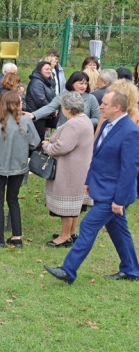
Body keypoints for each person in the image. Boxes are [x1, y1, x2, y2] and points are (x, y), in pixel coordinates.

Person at [45, 88, 139, 284]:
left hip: (113, 194)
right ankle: (131, 269)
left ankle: (68, 270)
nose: (100, 106)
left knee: (87, 224)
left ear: (117, 107)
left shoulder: (130, 132)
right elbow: (96, 157)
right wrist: (88, 180)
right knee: (118, 230)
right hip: (102, 188)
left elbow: (129, 170)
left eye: (105, 103)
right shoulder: (108, 125)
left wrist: (119, 201)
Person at [0, 91, 40, 248]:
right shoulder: (26, 121)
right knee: (13, 199)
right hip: (19, 166)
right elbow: (35, 143)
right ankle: (17, 237)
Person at [37, 91, 95, 248]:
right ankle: (71, 232)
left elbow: (61, 147)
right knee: (76, 203)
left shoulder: (73, 125)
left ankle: (64, 237)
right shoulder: (86, 120)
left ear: (68, 108)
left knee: (68, 205)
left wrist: (46, 146)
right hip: (80, 167)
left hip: (70, 169)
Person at [28, 71, 100, 130]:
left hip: (81, 133)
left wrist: (80, 123)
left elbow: (96, 119)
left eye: (86, 84)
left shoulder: (91, 98)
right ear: (72, 83)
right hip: (62, 131)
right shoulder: (63, 95)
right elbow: (50, 107)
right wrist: (34, 115)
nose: (84, 86)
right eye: (81, 83)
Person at [25, 61, 57, 141]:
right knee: (38, 142)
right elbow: (41, 101)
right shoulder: (36, 82)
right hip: (36, 116)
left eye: (50, 69)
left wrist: (56, 108)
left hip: (45, 114)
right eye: (46, 69)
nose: (49, 71)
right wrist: (52, 111)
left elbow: (53, 97)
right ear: (40, 70)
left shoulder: (47, 81)